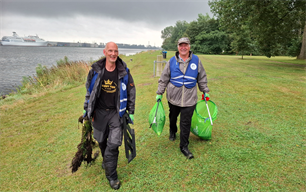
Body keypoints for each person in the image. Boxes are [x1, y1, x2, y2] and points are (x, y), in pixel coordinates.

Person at [83, 42, 136, 190]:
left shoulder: (124, 71)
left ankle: (112, 176)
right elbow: (89, 91)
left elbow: (131, 91)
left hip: (115, 112)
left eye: (116, 51)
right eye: (110, 51)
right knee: (101, 140)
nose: (113, 54)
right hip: (99, 112)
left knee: (113, 144)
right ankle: (107, 160)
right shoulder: (95, 71)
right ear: (105, 52)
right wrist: (86, 109)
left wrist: (130, 112)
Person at [156, 37, 209, 159]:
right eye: (181, 45)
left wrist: (205, 91)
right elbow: (164, 78)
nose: (183, 47)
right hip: (173, 97)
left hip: (190, 99)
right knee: (173, 117)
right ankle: (172, 131)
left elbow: (202, 78)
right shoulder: (171, 61)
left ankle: (184, 146)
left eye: (186, 45)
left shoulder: (196, 61)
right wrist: (160, 92)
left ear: (189, 47)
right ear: (178, 47)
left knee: (185, 122)